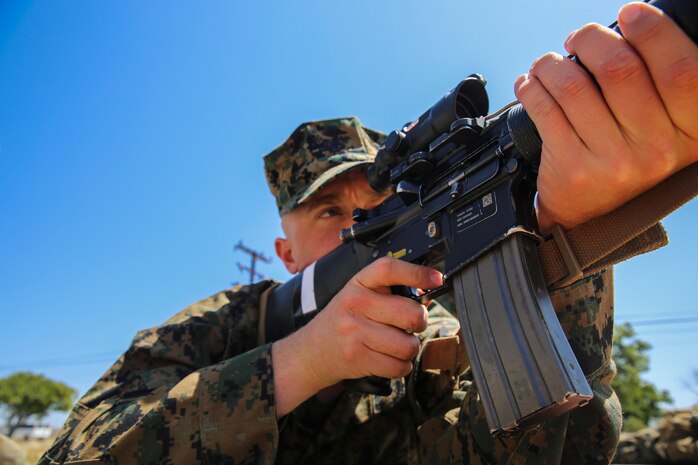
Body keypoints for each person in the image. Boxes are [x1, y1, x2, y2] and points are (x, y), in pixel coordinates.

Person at [40, 3, 697, 464]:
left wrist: (561, 243)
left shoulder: (436, 326)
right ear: (285, 252)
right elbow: (76, 451)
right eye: (329, 212)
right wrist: (302, 362)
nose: (355, 226)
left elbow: (578, 446)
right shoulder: (224, 327)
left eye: (377, 205)